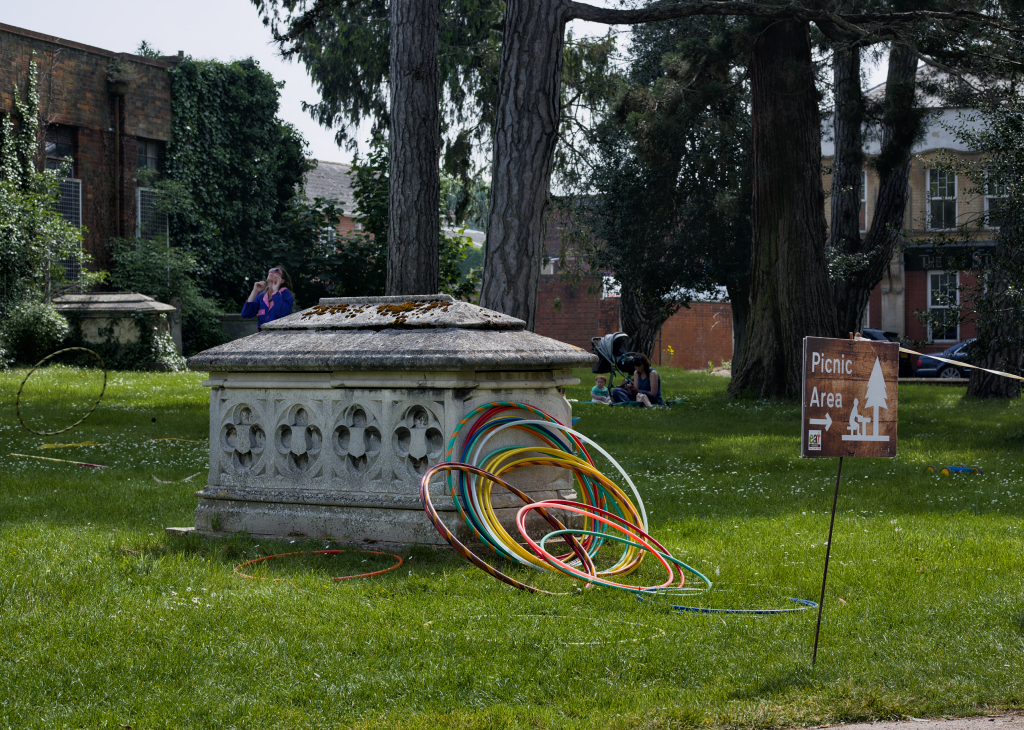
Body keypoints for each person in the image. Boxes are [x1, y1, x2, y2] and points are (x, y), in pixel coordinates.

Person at [241, 265, 294, 331]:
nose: (271, 271)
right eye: (271, 270)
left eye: (276, 271)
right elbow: (246, 314)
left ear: (282, 280)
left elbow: (282, 314)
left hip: (278, 337)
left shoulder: (285, 294)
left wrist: (275, 291)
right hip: (263, 337)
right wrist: (255, 291)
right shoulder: (261, 296)